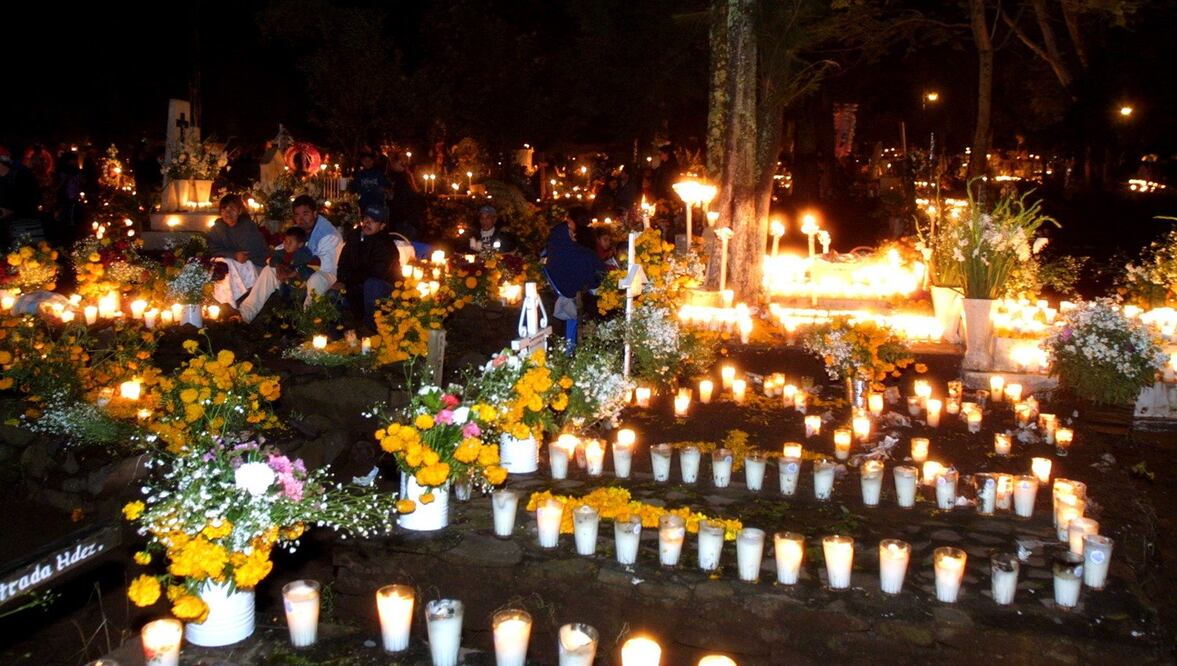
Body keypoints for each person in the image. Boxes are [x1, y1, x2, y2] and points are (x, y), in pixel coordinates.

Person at [239, 195, 342, 323]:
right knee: (269, 270)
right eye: (297, 215)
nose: (301, 219)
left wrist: (295, 272)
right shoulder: (299, 229)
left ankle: (307, 323)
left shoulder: (327, 233)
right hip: (298, 268)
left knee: (315, 280)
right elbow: (283, 249)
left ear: (315, 213)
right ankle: (244, 314)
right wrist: (279, 266)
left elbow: (324, 265)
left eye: (305, 214)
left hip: (324, 273)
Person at [333, 204, 399, 330]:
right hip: (355, 286)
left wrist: (346, 283)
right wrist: (341, 281)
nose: (367, 223)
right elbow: (343, 264)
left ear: (382, 226)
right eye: (366, 219)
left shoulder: (386, 245)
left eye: (373, 221)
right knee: (332, 293)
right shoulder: (354, 237)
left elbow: (376, 274)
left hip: (383, 291)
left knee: (372, 285)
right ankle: (334, 336)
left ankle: (371, 329)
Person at [543, 221, 605, 338]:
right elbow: (596, 277)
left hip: (566, 308)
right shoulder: (579, 254)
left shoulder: (554, 253)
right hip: (584, 304)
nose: (574, 235)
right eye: (571, 232)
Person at [207, 194, 269, 306]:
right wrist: (233, 254)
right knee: (225, 264)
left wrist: (232, 255)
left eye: (232, 209)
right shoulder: (218, 228)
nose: (228, 213)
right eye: (224, 209)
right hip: (233, 265)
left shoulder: (247, 226)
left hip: (255, 265)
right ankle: (226, 302)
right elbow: (213, 250)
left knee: (229, 264)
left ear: (239, 211)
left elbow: (246, 254)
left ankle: (234, 303)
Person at [267, 226, 317, 299]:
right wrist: (279, 265)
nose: (286, 245)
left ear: (300, 244)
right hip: (287, 282)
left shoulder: (304, 254)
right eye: (286, 241)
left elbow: (305, 266)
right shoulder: (282, 252)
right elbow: (273, 259)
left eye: (290, 242)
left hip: (301, 283)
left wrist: (293, 272)